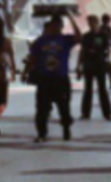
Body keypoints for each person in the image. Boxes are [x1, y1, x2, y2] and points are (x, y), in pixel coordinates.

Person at [28, 14, 82, 142]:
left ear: (61, 27)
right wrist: (28, 71)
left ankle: (66, 128)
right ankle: (42, 133)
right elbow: (33, 57)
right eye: (52, 25)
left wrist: (71, 18)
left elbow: (80, 38)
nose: (55, 28)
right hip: (45, 79)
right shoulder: (41, 41)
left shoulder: (65, 40)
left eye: (57, 25)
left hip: (60, 78)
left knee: (64, 106)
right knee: (42, 108)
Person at [77, 15, 111, 122]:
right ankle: (85, 113)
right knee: (88, 89)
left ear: (97, 23)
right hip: (88, 64)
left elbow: (109, 48)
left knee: (102, 89)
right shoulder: (86, 36)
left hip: (100, 64)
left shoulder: (103, 35)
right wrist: (78, 65)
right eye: (89, 23)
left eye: (92, 23)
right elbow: (82, 51)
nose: (91, 25)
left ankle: (107, 113)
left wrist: (110, 60)